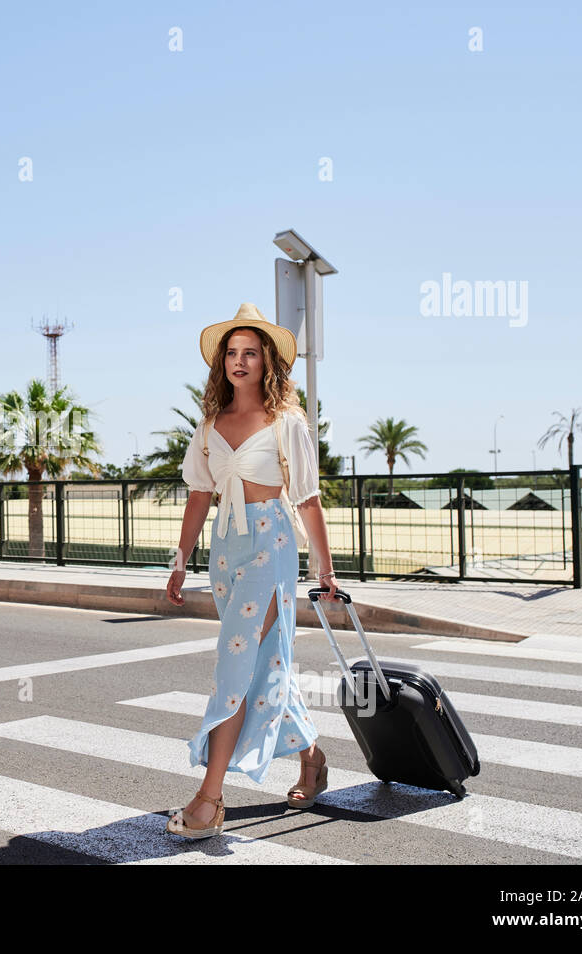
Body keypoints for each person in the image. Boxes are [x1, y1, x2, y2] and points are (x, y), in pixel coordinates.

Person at [164, 303, 341, 838]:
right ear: (222, 364)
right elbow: (200, 495)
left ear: (267, 363)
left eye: (251, 353)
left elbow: (308, 499)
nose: (240, 361)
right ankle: (312, 756)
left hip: (272, 543)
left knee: (233, 667)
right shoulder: (209, 426)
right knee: (260, 663)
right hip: (226, 550)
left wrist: (325, 569)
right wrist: (179, 563)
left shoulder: (287, 424)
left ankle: (208, 800)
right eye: (232, 354)